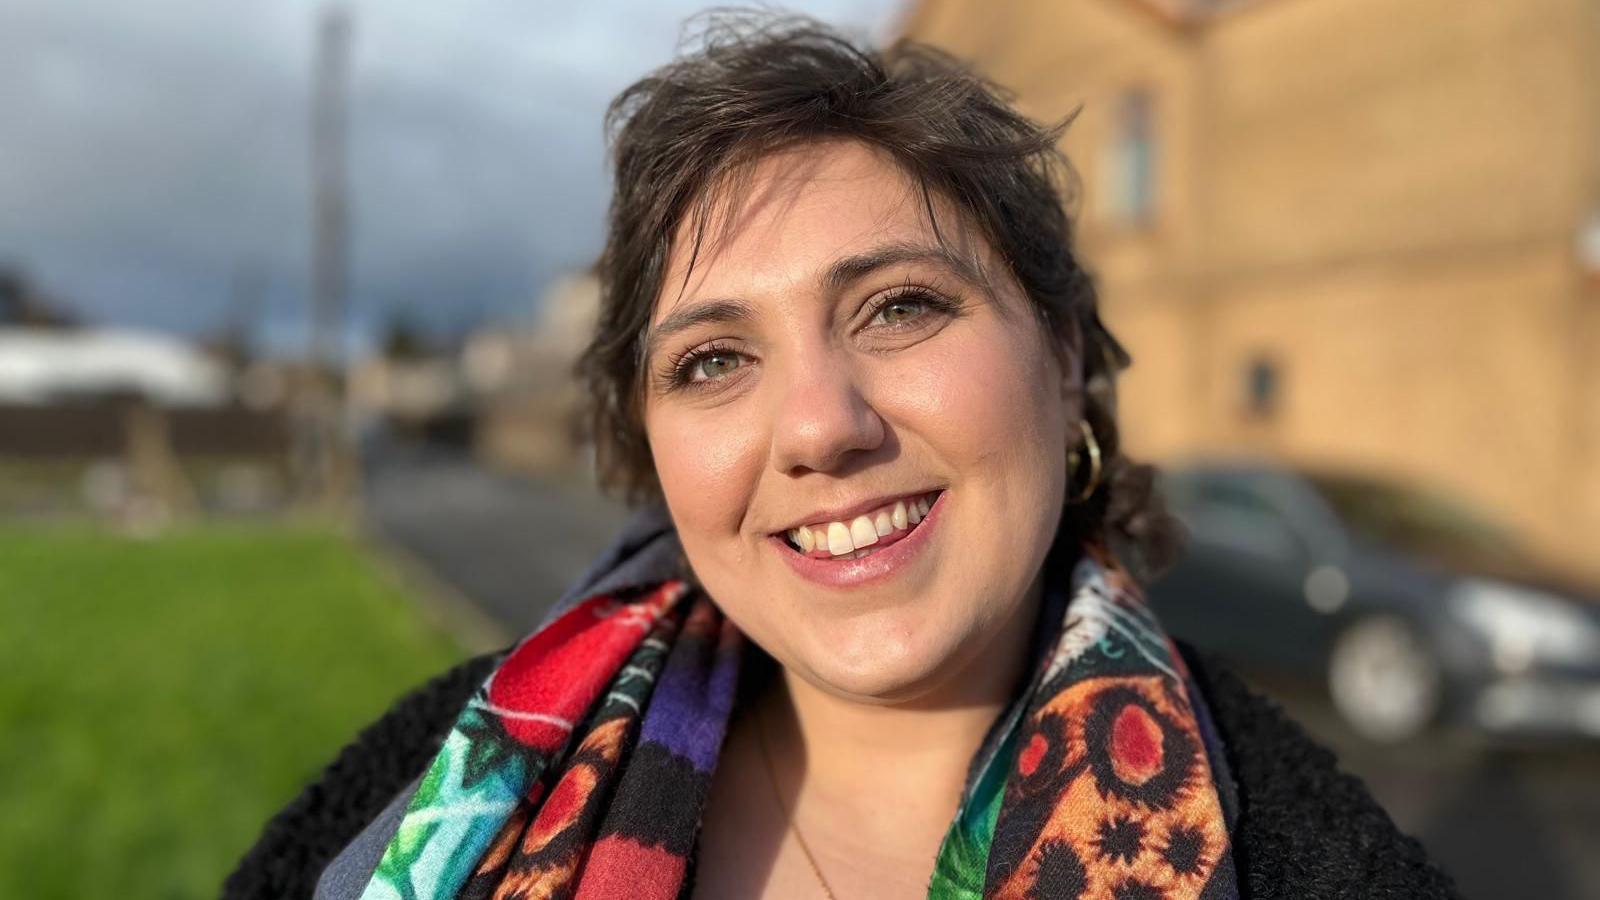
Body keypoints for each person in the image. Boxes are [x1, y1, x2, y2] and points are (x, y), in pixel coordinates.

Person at [228, 13, 1460, 900]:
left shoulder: (1313, 854)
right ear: (647, 443)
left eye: (900, 307)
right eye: (712, 361)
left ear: (1064, 353)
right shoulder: (443, 778)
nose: (820, 428)